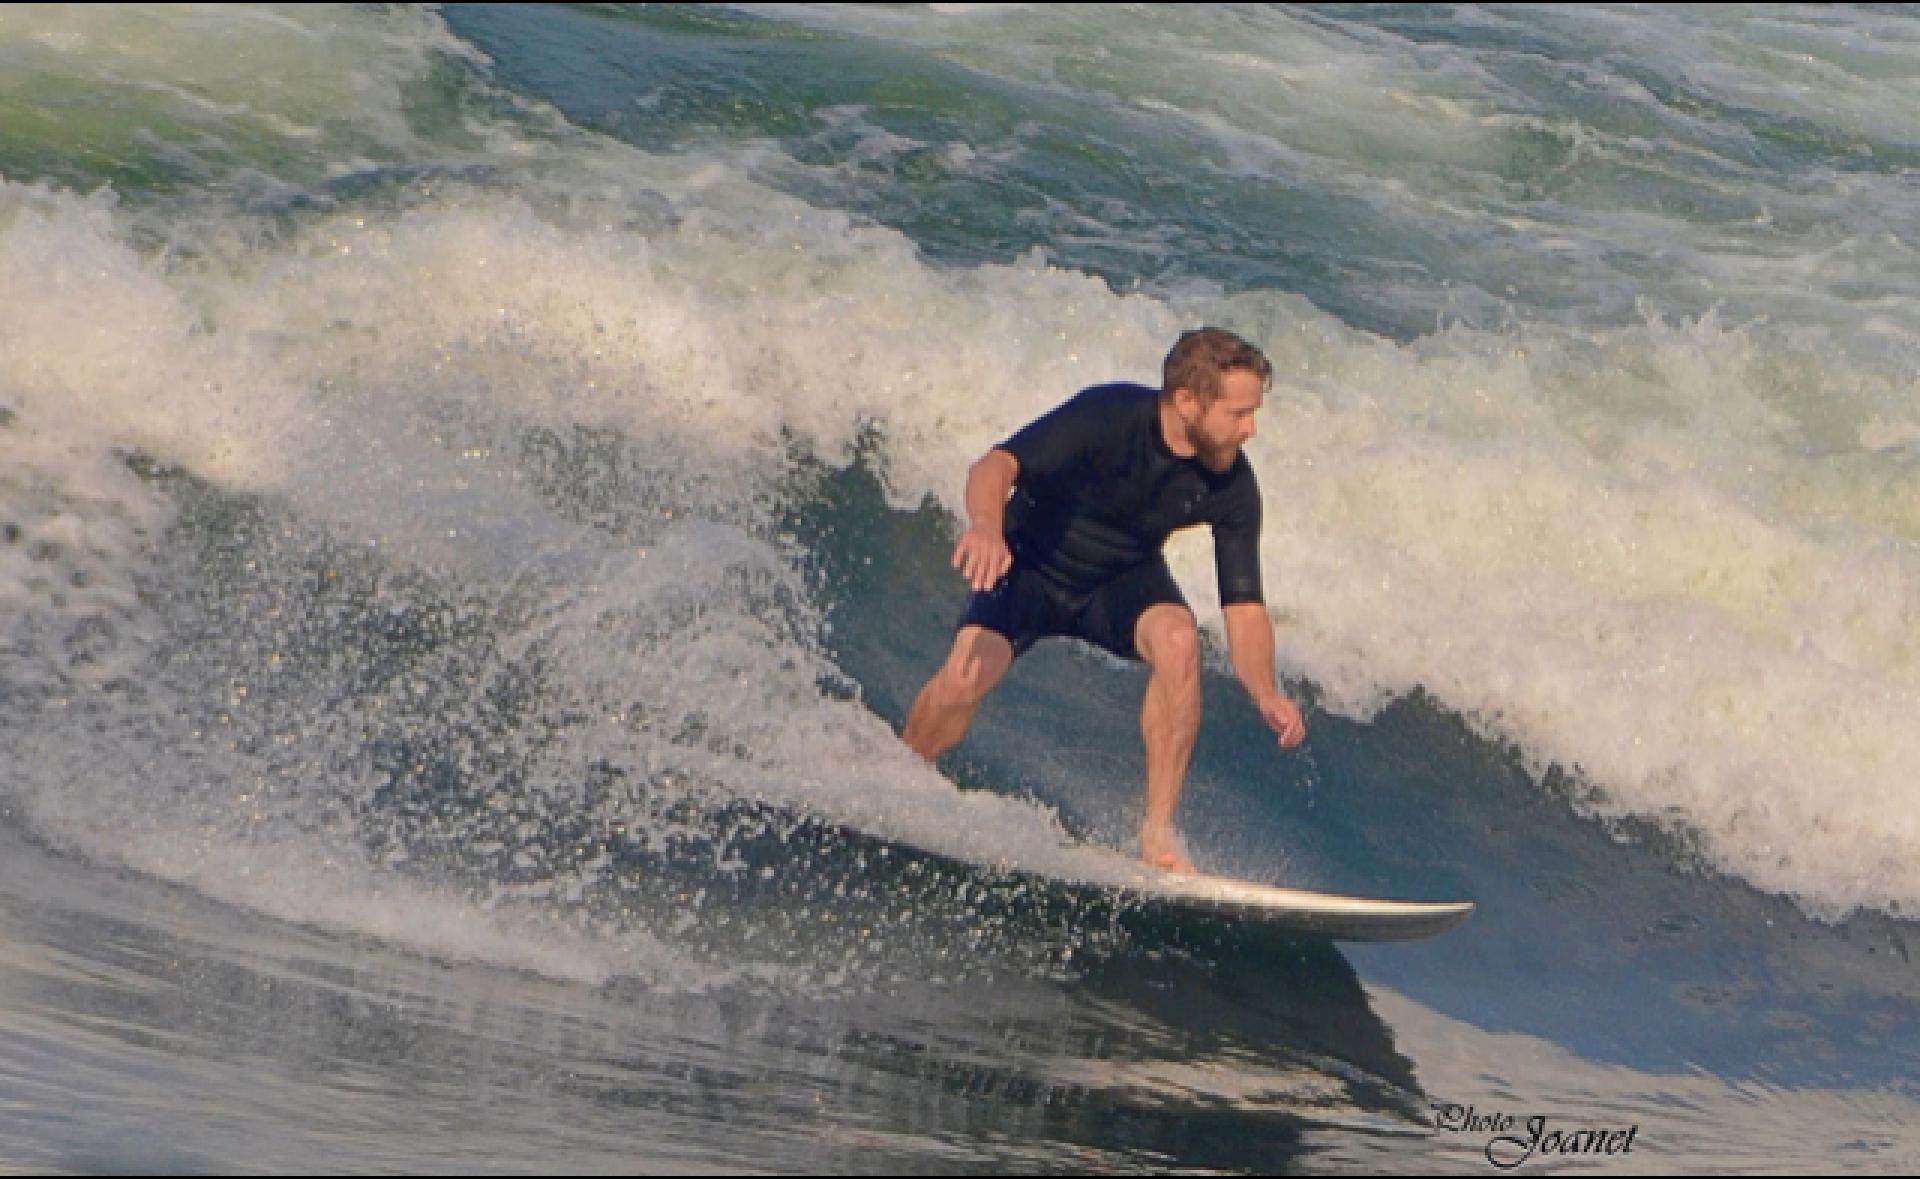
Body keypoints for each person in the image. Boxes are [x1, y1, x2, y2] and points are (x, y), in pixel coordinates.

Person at [901, 327, 1307, 874]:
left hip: (1119, 580)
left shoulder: (1231, 483)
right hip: (1029, 565)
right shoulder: (1109, 416)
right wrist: (985, 528)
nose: (1250, 428)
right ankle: (902, 779)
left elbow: (1244, 605)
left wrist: (1264, 690)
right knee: (965, 679)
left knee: (1179, 639)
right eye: (1238, 414)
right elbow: (996, 466)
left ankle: (1158, 835)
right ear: (1187, 402)